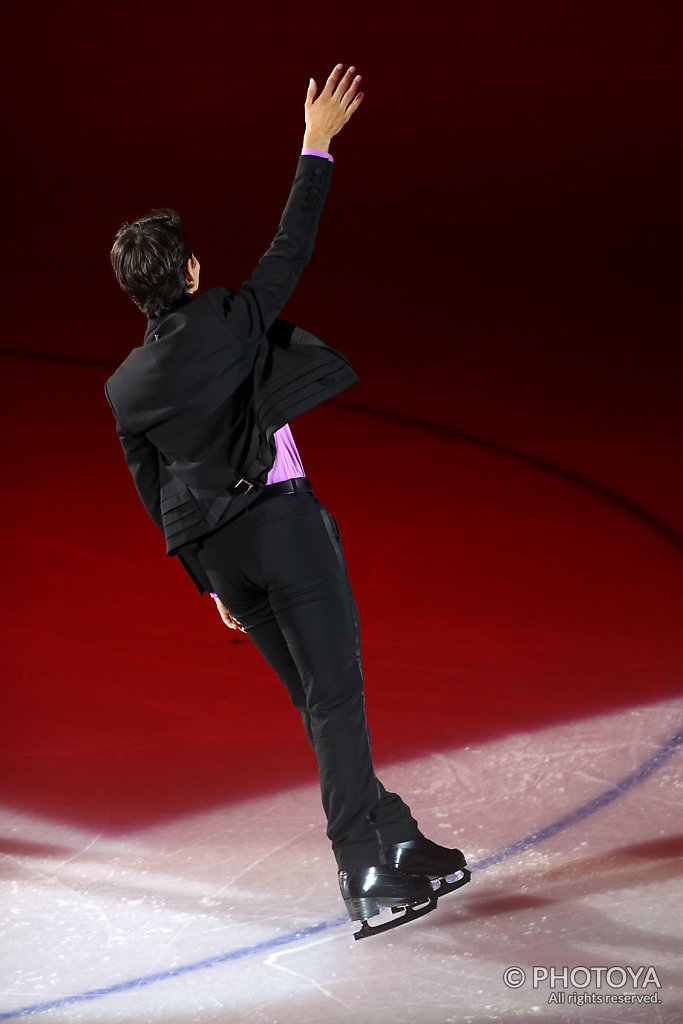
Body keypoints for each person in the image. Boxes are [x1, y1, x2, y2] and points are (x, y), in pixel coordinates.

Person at [106, 64, 468, 937]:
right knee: (336, 699)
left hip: (227, 556)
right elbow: (289, 248)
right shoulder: (227, 315)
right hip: (282, 528)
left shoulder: (124, 388)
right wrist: (317, 143)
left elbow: (154, 492)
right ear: (190, 270)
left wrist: (212, 585)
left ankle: (397, 838)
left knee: (317, 706)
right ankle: (364, 875)